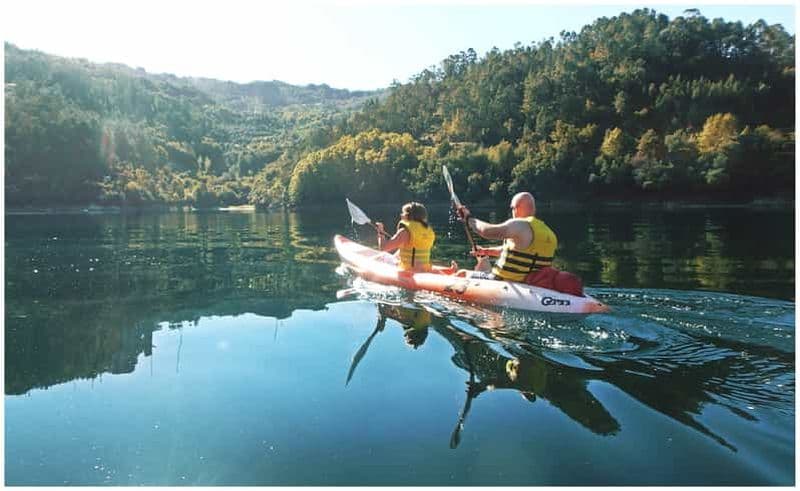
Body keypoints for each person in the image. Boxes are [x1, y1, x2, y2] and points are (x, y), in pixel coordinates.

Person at [455, 192, 583, 296]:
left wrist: (469, 219)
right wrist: (486, 251)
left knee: (462, 273)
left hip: (504, 281)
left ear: (516, 208)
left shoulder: (519, 224)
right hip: (532, 284)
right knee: (483, 264)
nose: (512, 211)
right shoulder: (549, 233)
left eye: (512, 208)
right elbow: (520, 252)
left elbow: (487, 231)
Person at [375, 202, 457, 274]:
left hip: (410, 271)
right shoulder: (428, 230)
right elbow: (411, 249)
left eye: (403, 213)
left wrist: (380, 232)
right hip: (424, 269)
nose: (401, 215)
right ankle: (450, 271)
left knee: (381, 258)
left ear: (407, 215)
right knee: (395, 256)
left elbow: (383, 248)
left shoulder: (405, 231)